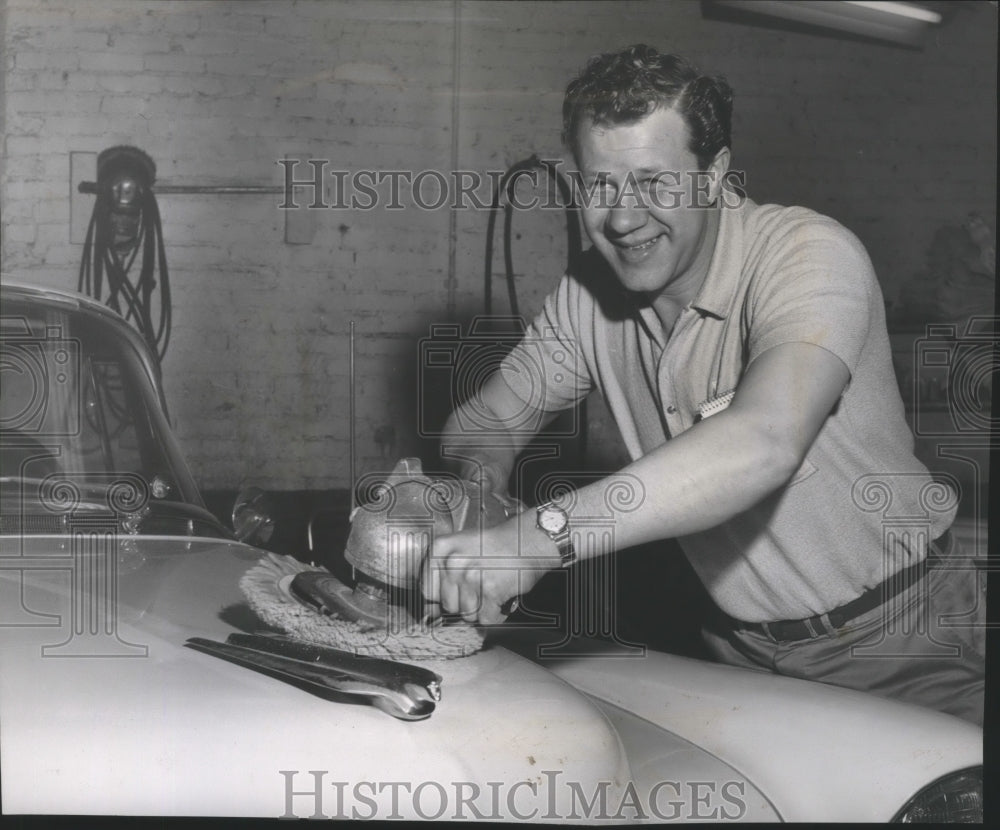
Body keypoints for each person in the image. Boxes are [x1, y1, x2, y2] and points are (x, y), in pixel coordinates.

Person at [421, 44, 985, 726]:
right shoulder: (587, 296)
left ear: (714, 175)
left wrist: (536, 539)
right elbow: (484, 423)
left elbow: (765, 441)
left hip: (902, 639)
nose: (624, 219)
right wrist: (482, 487)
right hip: (740, 649)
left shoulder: (806, 255)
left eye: (656, 183)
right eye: (601, 185)